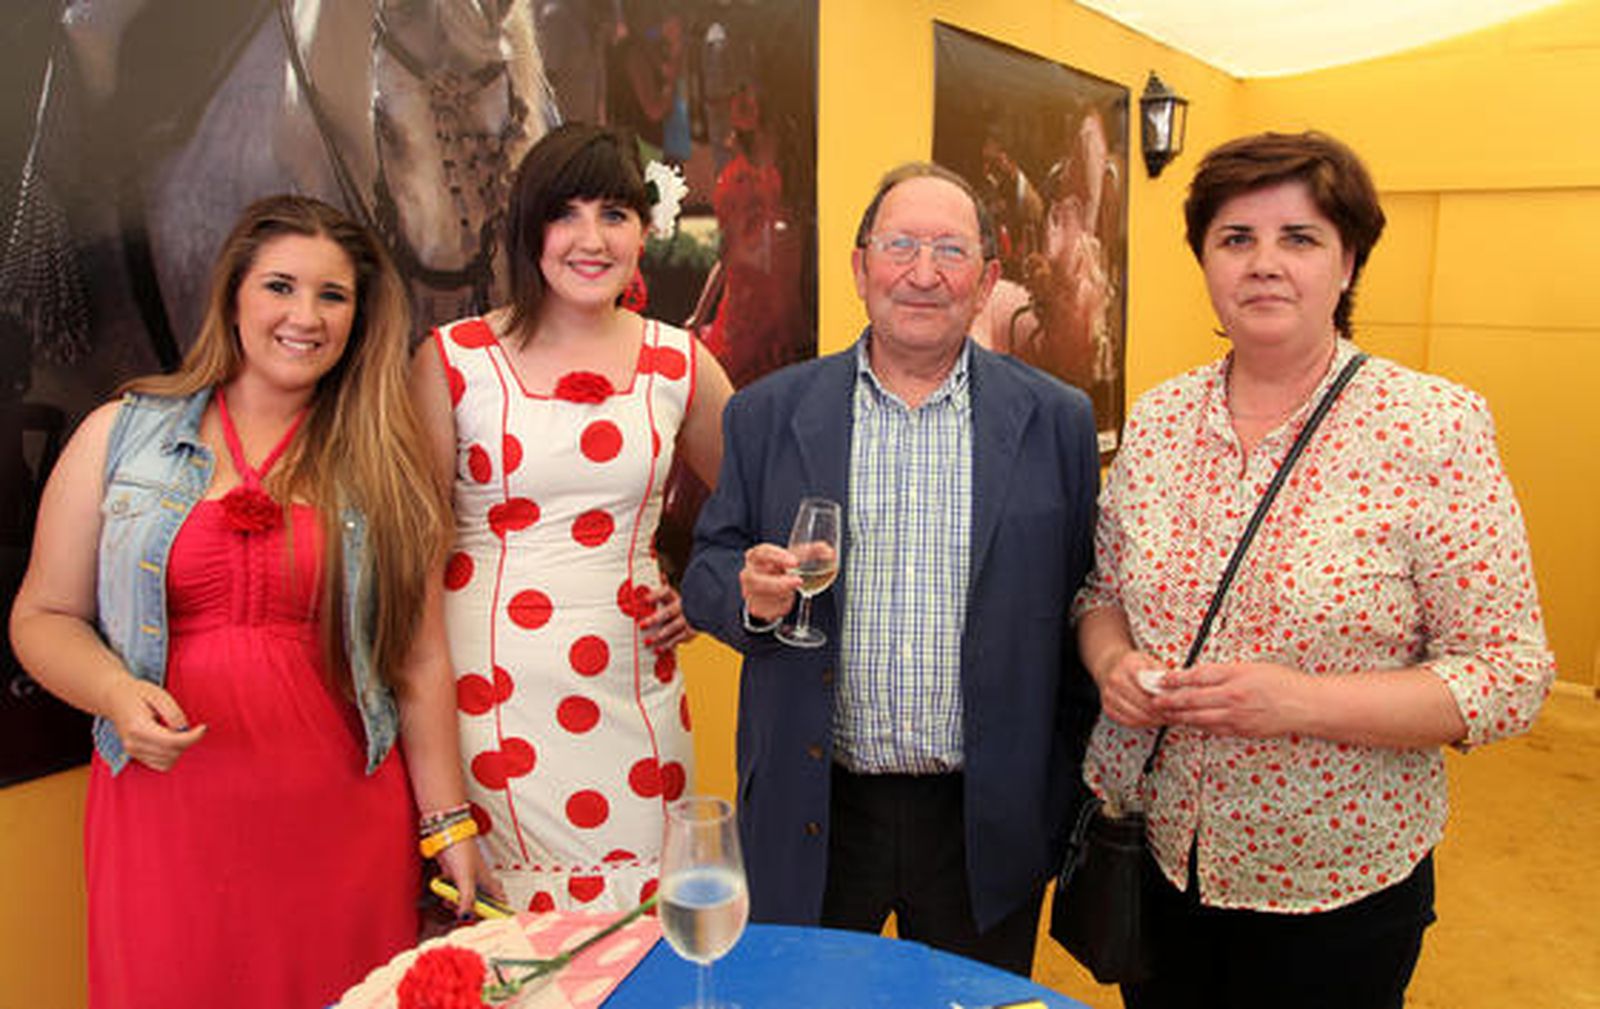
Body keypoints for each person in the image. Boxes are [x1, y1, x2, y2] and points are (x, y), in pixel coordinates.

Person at [1075, 131, 1557, 1009]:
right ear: (1206, 263)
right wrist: (1113, 663)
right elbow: (1101, 595)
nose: (1265, 263)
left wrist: (1296, 701)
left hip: (1335, 888)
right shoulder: (1158, 418)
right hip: (1159, 857)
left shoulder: (1430, 425)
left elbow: (1509, 678)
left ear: (1348, 263)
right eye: (1236, 238)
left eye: (1299, 238)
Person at [8, 195, 490, 1009]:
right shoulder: (119, 436)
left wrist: (447, 825)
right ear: (232, 295)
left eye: (332, 296)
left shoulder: (381, 460)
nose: (305, 316)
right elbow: (41, 617)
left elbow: (417, 657)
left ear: (358, 317)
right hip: (164, 818)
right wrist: (115, 693)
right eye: (280, 286)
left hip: (341, 818)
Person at [681, 162, 1101, 975]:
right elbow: (706, 568)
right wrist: (749, 595)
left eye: (950, 250)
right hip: (817, 809)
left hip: (984, 818)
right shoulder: (768, 413)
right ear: (859, 265)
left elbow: (1083, 601)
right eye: (900, 244)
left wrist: (1056, 795)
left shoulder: (1056, 421)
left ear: (986, 282)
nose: (921, 272)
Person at [411, 122, 733, 913]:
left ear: (644, 230)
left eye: (615, 214)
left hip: (634, 700)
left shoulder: (678, 362)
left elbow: (765, 509)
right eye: (567, 214)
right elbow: (409, 569)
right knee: (510, 959)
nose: (592, 239)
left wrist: (704, 593)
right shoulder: (453, 360)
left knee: (641, 949)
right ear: (531, 229)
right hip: (487, 707)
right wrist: (441, 800)